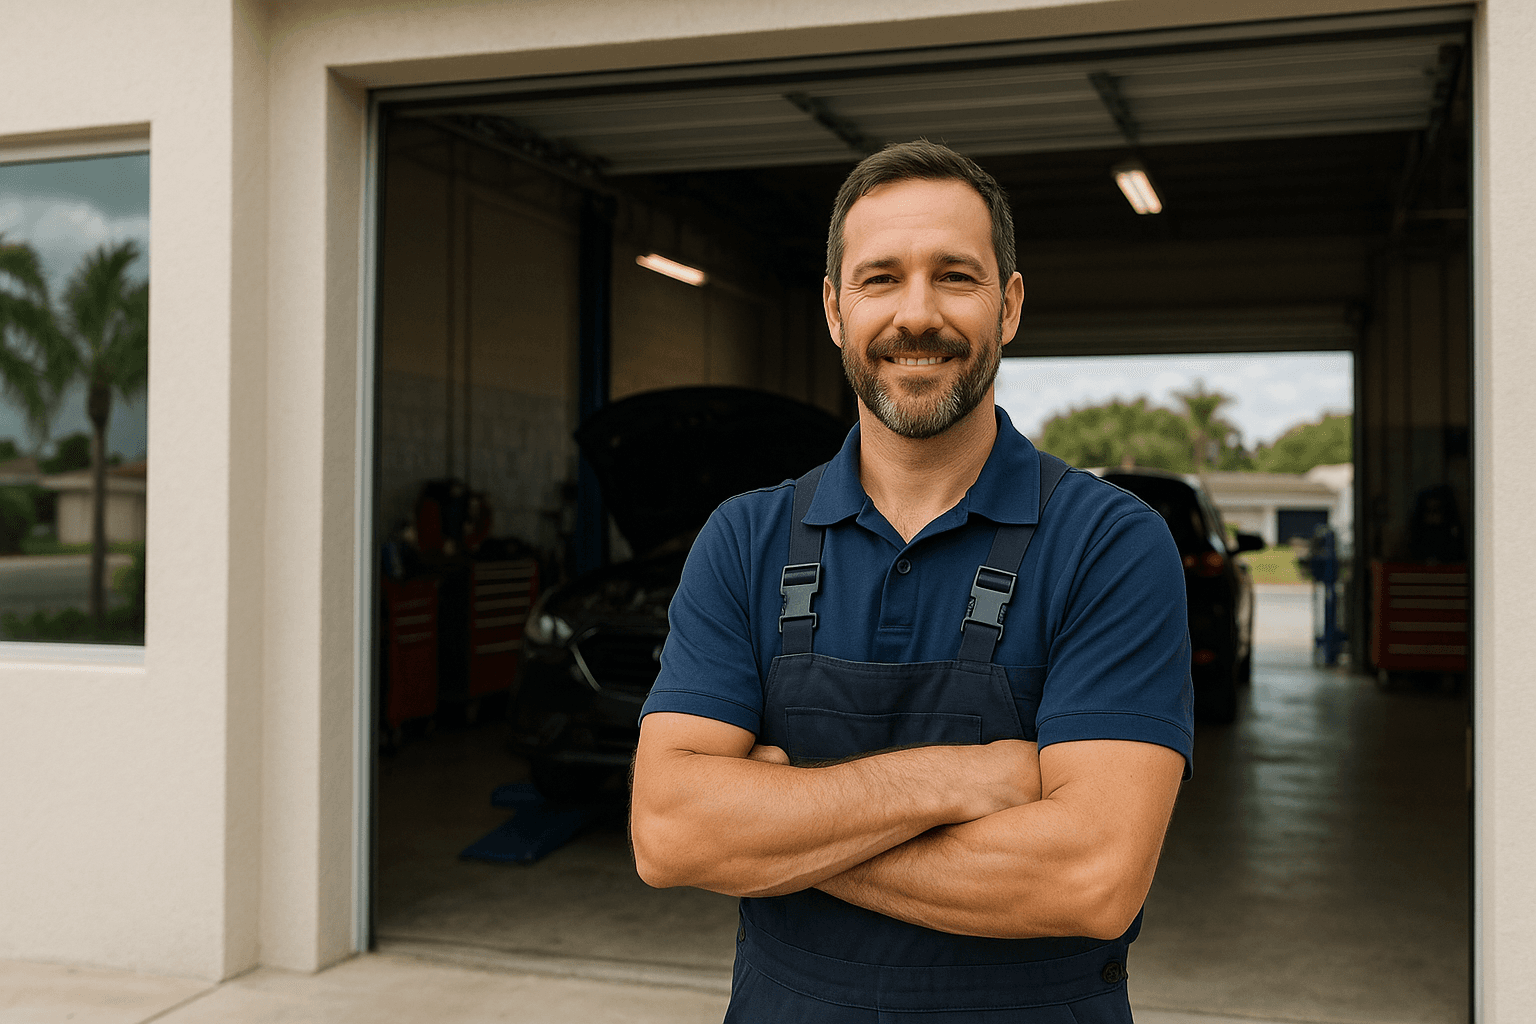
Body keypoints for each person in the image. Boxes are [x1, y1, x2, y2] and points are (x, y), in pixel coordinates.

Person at [630, 139, 1193, 1022]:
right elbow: (670, 833)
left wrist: (777, 827)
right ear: (833, 308)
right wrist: (956, 783)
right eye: (880, 278)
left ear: (1008, 305)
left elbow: (1091, 878)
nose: (917, 314)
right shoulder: (744, 539)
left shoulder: (1110, 545)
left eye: (955, 276)